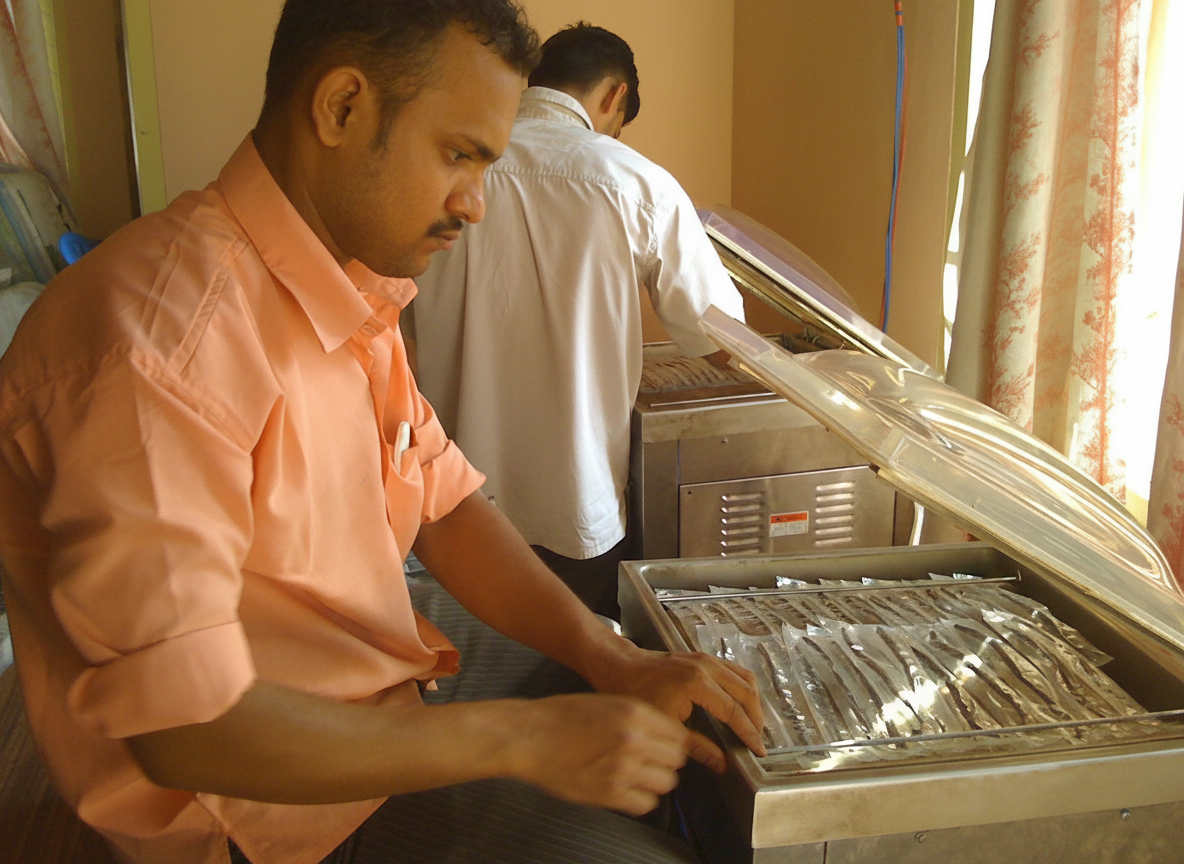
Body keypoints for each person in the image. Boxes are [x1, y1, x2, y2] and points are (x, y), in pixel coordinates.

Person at [0, 3, 765, 864]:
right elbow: (189, 726)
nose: (476, 204)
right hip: (261, 813)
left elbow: (441, 502)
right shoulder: (162, 342)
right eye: (460, 155)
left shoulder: (345, 285)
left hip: (368, 674)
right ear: (341, 107)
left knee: (621, 690)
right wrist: (517, 740)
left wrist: (610, 656)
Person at [410, 24, 747, 618]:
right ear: (613, 97)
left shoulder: (447, 165)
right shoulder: (638, 182)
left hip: (450, 506)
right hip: (573, 499)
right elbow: (722, 335)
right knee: (575, 672)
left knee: (467, 681)